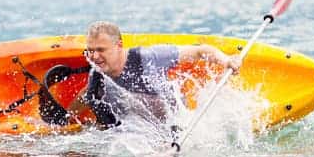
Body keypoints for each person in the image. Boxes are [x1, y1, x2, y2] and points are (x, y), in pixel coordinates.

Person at [63, 21, 240, 128]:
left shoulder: (147, 57)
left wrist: (226, 61)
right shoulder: (99, 70)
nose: (94, 56)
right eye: (90, 50)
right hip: (132, 127)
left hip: (173, 124)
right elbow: (87, 94)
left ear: (119, 45)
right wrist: (65, 118)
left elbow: (201, 51)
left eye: (101, 50)